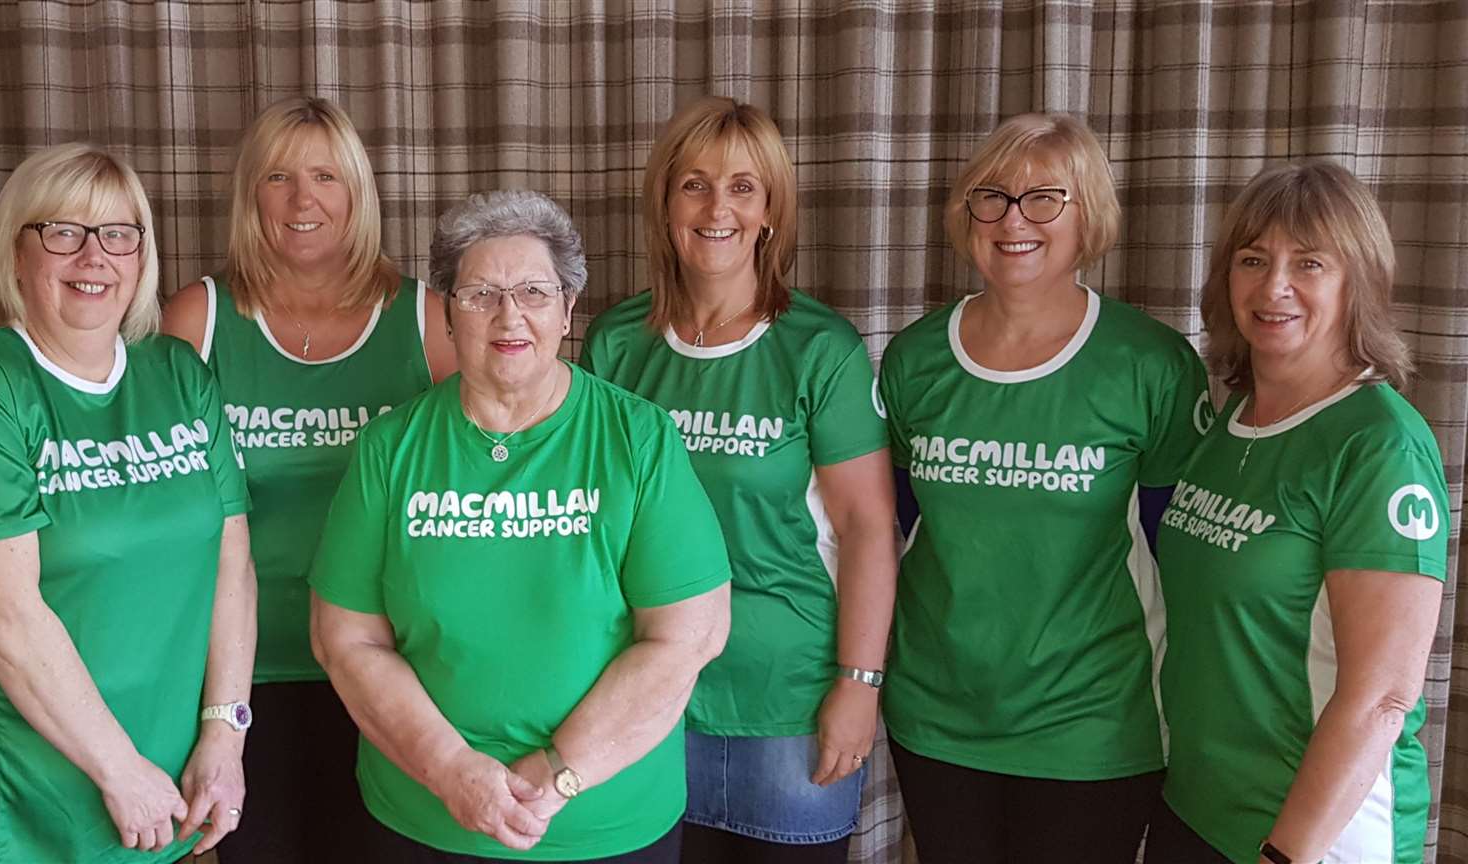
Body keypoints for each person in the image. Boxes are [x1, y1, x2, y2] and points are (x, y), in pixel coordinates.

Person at [310, 189, 733, 862]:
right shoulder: (390, 449)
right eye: (480, 294)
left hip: (601, 826)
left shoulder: (638, 439)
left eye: (534, 291)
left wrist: (559, 773)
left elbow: (689, 636)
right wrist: (450, 770)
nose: (509, 314)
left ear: (567, 309)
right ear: (448, 314)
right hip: (423, 819)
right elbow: (347, 639)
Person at [0, 143, 255, 863]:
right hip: (30, 805)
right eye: (63, 232)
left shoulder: (178, 374)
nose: (95, 257)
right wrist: (120, 771)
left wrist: (224, 733)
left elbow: (233, 563)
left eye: (119, 234)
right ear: (17, 251)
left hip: (178, 793)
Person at [877, 113, 1212, 862]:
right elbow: (886, 535)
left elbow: (1185, 562)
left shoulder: (1149, 363)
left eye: (1044, 199)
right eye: (990, 197)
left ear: (1088, 212)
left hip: (1094, 728)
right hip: (937, 719)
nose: (1013, 219)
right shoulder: (915, 357)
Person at [580, 97, 896, 864]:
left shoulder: (820, 349)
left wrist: (859, 684)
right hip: (647, 695)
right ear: (665, 204)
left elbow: (867, 529)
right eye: (693, 184)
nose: (717, 207)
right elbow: (583, 518)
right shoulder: (616, 343)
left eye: (743, 187)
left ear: (770, 213)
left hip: (788, 703)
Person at [160, 95, 455, 861]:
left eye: (325, 176)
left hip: (398, 671)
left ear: (357, 194)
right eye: (278, 178)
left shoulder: (428, 318)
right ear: (250, 195)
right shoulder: (199, 318)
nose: (302, 200)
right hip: (244, 681)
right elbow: (158, 507)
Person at [1145, 162, 1448, 864]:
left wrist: (1288, 853)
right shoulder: (1232, 420)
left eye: (1309, 263)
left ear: (1358, 283)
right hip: (1196, 804)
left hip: (1316, 838)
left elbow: (1382, 698)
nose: (1273, 285)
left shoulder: (1380, 444)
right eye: (1253, 259)